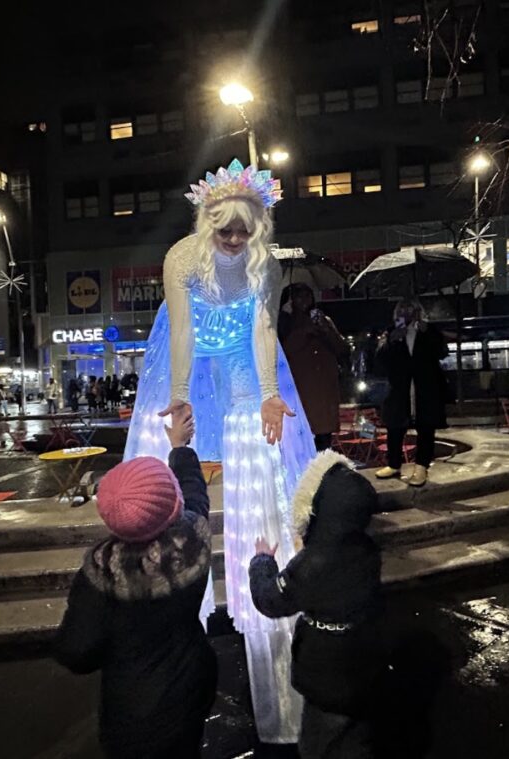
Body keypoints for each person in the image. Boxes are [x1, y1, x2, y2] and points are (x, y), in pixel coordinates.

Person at [123, 158, 316, 745]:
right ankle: (189, 602)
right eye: (225, 229)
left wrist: (268, 393)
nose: (235, 239)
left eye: (244, 230)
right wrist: (179, 397)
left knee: (260, 434)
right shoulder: (182, 259)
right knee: (176, 447)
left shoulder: (264, 268)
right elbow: (182, 332)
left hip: (239, 348)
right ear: (208, 223)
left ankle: (261, 587)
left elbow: (262, 331)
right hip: (190, 345)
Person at [53, 406, 215, 758]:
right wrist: (180, 446)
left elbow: (75, 651)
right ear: (174, 506)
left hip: (130, 708)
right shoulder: (193, 539)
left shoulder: (102, 575)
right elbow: (194, 490)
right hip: (191, 688)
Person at [250, 450, 384, 759]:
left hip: (326, 676)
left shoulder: (312, 565)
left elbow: (271, 599)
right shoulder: (365, 549)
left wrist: (262, 562)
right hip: (363, 663)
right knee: (356, 733)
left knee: (318, 744)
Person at [373, 299, 450, 487]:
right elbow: (379, 362)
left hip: (425, 387)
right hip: (400, 389)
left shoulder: (428, 330)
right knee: (395, 426)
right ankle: (394, 464)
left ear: (418, 311)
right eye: (402, 310)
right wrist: (391, 341)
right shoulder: (392, 332)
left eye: (410, 309)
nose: (406, 313)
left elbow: (442, 352)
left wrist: (427, 332)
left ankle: (421, 466)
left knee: (425, 426)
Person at [279, 283, 349, 452]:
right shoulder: (284, 323)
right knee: (303, 439)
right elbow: (284, 351)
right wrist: (304, 331)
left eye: (308, 295)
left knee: (324, 439)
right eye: (299, 296)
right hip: (300, 389)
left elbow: (342, 349)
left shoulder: (323, 320)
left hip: (324, 388)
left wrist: (325, 329)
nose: (305, 300)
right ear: (291, 300)